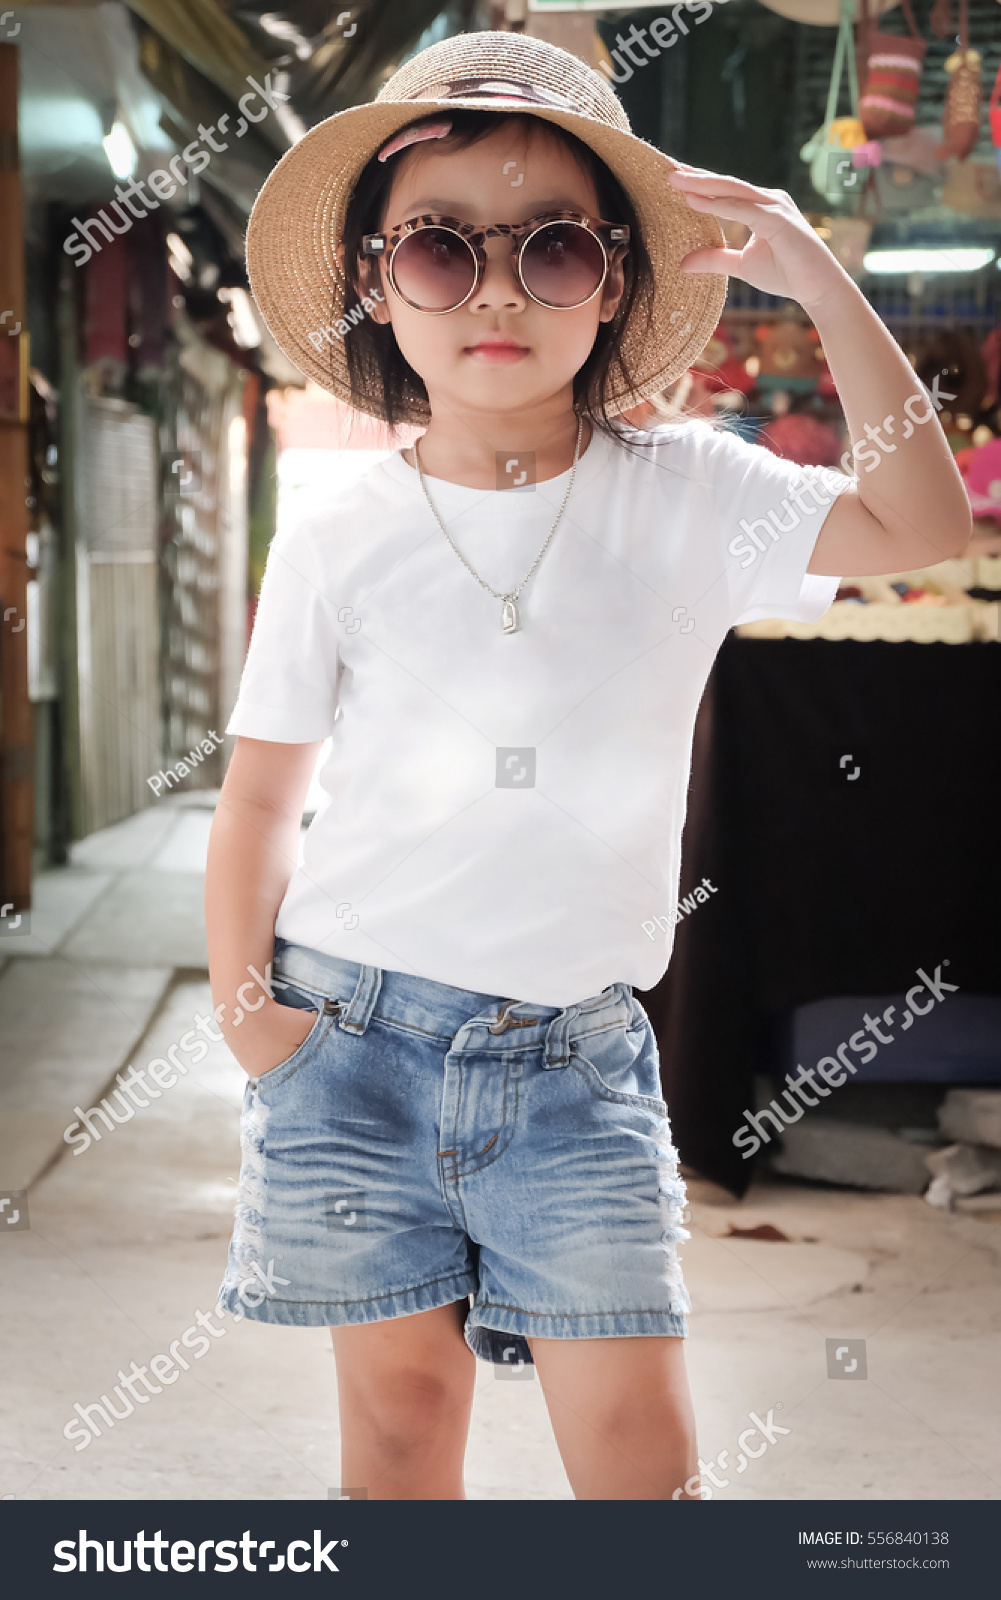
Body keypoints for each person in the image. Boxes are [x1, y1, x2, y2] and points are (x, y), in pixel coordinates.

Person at [205, 30, 970, 1502]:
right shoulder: (338, 531)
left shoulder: (695, 493)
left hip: (578, 1061)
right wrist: (254, 1020)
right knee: (400, 1433)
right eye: (438, 250)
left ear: (613, 282)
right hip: (348, 1039)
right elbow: (258, 792)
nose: (495, 290)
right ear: (375, 281)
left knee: (637, 1464)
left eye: (550, 249)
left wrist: (815, 277)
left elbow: (922, 526)